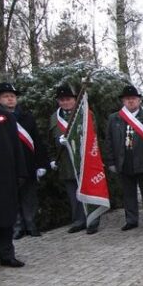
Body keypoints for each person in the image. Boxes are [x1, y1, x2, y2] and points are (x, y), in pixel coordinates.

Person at [105, 84, 143, 231]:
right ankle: (131, 220)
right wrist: (111, 161)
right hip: (124, 160)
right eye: (127, 99)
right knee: (128, 193)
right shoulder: (114, 119)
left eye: (133, 98)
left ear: (139, 101)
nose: (130, 101)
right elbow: (109, 141)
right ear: (123, 101)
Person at [0, 83, 49, 239]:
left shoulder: (27, 117)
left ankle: (31, 225)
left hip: (28, 163)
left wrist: (42, 164)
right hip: (8, 166)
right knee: (13, 198)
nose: (10, 99)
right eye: (6, 96)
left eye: (12, 96)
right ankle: (18, 227)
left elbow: (37, 142)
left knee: (29, 197)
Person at [0, 80, 27, 273]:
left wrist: (20, 172)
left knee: (6, 217)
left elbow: (16, 147)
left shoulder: (3, 116)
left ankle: (7, 255)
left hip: (4, 177)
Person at [49, 84, 100, 234]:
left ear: (75, 99)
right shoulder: (54, 118)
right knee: (73, 194)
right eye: (62, 100)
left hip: (85, 160)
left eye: (69, 99)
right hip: (65, 162)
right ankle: (79, 220)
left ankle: (93, 220)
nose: (65, 102)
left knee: (89, 191)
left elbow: (93, 135)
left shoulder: (85, 114)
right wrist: (53, 158)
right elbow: (49, 141)